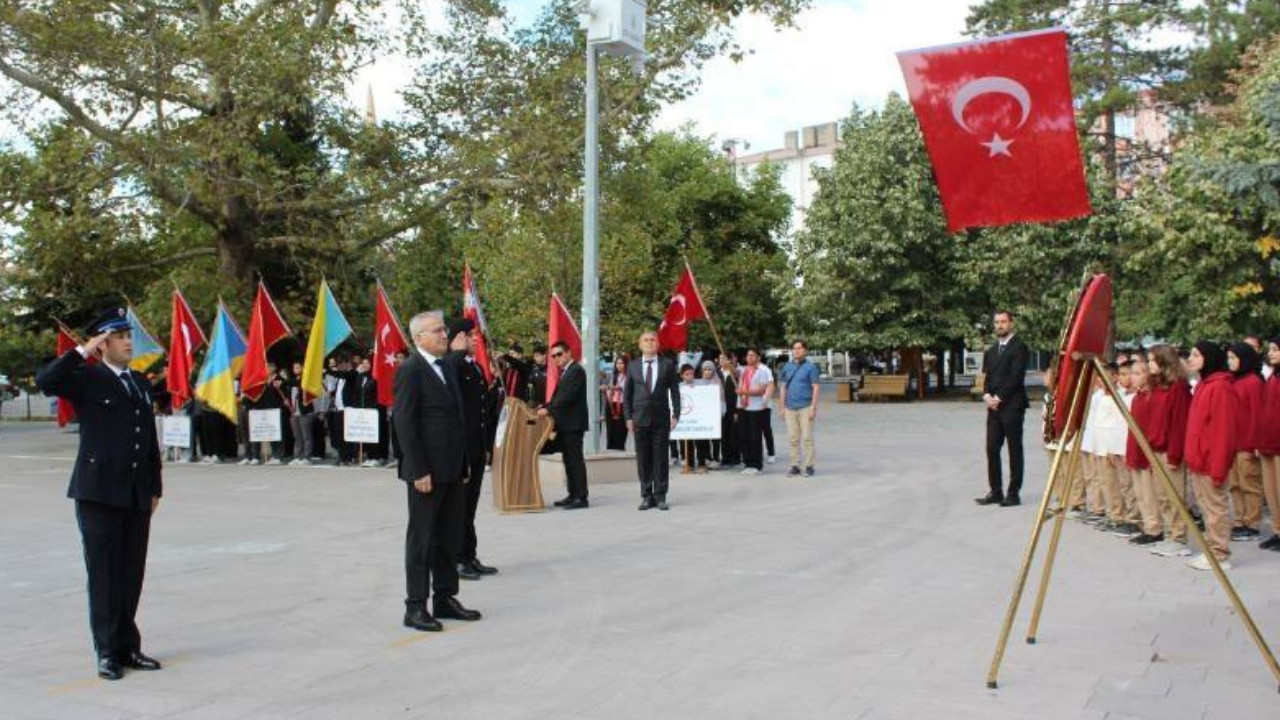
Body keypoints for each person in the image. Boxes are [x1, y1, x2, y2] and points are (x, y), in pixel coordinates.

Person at [35, 307, 164, 681]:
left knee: (130, 573)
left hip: (136, 493)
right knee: (104, 574)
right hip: (99, 493)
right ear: (102, 342)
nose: (128, 341)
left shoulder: (138, 382)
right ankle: (107, 651)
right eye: (120, 336)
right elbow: (46, 380)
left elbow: (148, 440)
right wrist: (81, 351)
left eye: (129, 336)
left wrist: (154, 486)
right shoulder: (86, 378)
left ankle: (128, 646)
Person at [393, 310, 481, 632]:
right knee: (422, 540)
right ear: (419, 339)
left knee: (448, 537)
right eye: (438, 331)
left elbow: (456, 421)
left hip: (453, 469)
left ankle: (445, 598)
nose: (445, 335)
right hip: (426, 473)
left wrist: (464, 465)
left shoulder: (445, 367)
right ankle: (415, 606)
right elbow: (404, 422)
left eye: (444, 330)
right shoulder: (411, 369)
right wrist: (418, 470)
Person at [446, 318, 500, 576]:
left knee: (470, 505)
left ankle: (469, 555)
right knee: (460, 506)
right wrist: (456, 350)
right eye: (470, 335)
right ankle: (457, 558)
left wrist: (487, 445)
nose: (475, 339)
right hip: (462, 448)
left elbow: (481, 411)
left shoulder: (474, 366)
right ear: (458, 337)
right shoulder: (453, 364)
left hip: (477, 446)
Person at [1183, 341, 1238, 571]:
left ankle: (1220, 554)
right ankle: (1211, 550)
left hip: (1210, 461)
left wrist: (1218, 467)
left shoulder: (1221, 387)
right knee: (1207, 509)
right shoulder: (1204, 385)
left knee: (1216, 509)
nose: (1191, 359)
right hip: (1198, 459)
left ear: (1209, 358)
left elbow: (1224, 431)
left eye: (1196, 355)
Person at [976, 310, 1030, 507]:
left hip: (1013, 406)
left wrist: (999, 397)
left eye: (1003, 322)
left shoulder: (1020, 347)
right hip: (993, 408)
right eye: (997, 322)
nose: (1000, 325)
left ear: (1011, 323)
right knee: (991, 448)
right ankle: (996, 491)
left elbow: (1016, 377)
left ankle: (1013, 493)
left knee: (1014, 450)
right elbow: (987, 378)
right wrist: (987, 396)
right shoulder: (990, 351)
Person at [623, 331, 680, 510]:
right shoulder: (632, 366)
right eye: (646, 340)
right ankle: (647, 495)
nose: (649, 343)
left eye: (652, 340)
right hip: (640, 418)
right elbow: (627, 395)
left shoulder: (667, 365)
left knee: (661, 458)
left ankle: (660, 495)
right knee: (644, 459)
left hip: (661, 418)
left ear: (658, 344)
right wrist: (628, 417)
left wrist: (676, 414)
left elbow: (675, 392)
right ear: (640, 344)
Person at [542, 340, 590, 509]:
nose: (556, 358)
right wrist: (544, 407)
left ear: (568, 353)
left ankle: (581, 497)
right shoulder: (566, 372)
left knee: (575, 461)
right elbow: (557, 398)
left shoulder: (576, 370)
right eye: (553, 356)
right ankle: (573, 493)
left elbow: (566, 397)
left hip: (573, 424)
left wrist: (547, 410)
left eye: (559, 354)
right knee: (568, 460)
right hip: (564, 424)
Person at [1226, 342, 1265, 542]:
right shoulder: (1232, 380)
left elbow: (1257, 414)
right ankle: (1239, 520)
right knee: (1234, 484)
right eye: (1229, 358)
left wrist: (1254, 444)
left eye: (1234, 358)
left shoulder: (1253, 382)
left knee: (1249, 483)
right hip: (1231, 442)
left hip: (1246, 443)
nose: (1230, 361)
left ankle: (1252, 522)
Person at [779, 339, 821, 477]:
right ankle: (795, 465)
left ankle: (809, 466)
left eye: (799, 348)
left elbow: (815, 387)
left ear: (805, 350)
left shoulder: (811, 367)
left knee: (807, 437)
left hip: (805, 406)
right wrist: (782, 407)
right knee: (793, 438)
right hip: (790, 407)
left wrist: (813, 407)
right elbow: (783, 387)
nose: (796, 350)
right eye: (794, 348)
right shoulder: (787, 367)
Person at [735, 348, 774, 476]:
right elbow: (731, 369)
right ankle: (747, 463)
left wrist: (744, 392)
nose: (750, 357)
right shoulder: (742, 370)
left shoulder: (762, 371)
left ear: (758, 357)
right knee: (743, 436)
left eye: (753, 355)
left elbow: (761, 390)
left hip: (755, 408)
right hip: (742, 407)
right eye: (748, 355)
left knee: (754, 437)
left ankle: (757, 465)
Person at [1257, 337, 1280, 551]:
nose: (1271, 354)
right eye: (1270, 350)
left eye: (1275, 350)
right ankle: (1277, 530)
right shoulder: (1272, 378)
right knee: (1272, 491)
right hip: (1267, 442)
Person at [718, 353, 740, 467]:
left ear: (729, 360)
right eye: (720, 358)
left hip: (732, 407)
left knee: (733, 433)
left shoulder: (735, 373)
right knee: (723, 433)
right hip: (720, 408)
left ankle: (735, 457)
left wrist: (737, 410)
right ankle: (725, 457)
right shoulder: (717, 373)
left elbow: (739, 393)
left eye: (724, 358)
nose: (722, 360)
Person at [602, 356, 629, 451]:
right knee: (610, 430)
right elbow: (607, 390)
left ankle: (620, 449)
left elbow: (623, 388)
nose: (619, 365)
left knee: (620, 430)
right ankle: (610, 449)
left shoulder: (628, 376)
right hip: (611, 405)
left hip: (622, 405)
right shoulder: (612, 375)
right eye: (618, 363)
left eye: (622, 363)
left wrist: (612, 387)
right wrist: (606, 388)